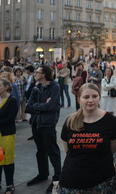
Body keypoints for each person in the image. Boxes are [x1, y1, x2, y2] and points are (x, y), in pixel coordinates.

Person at [58, 83, 116, 193]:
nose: (90, 100)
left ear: (99, 97)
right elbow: (68, 151)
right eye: (86, 97)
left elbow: (112, 149)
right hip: (71, 182)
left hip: (102, 181)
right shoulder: (70, 121)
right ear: (79, 99)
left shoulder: (111, 121)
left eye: (94, 96)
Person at [25, 65, 61, 193]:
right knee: (40, 151)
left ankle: (57, 178)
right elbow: (28, 107)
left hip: (48, 124)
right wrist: (42, 105)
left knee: (52, 151)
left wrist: (39, 106)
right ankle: (43, 174)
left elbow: (51, 106)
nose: (35, 74)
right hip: (36, 123)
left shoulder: (55, 87)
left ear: (44, 74)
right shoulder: (37, 87)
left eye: (38, 72)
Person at [0, 78, 19, 194]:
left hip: (6, 134)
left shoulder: (12, 100)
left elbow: (10, 119)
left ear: (6, 87)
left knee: (7, 160)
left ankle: (9, 185)